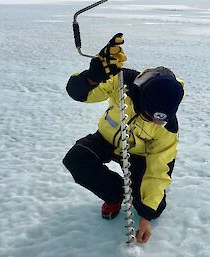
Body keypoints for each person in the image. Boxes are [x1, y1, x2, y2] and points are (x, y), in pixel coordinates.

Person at [63, 33, 184, 244]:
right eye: (150, 117)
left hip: (138, 155)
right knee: (76, 159)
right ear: (141, 98)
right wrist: (92, 77)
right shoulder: (122, 81)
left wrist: (146, 216)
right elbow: (77, 93)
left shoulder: (168, 128)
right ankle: (115, 194)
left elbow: (159, 170)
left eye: (161, 121)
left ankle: (137, 199)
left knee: (152, 206)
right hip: (106, 140)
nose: (156, 124)